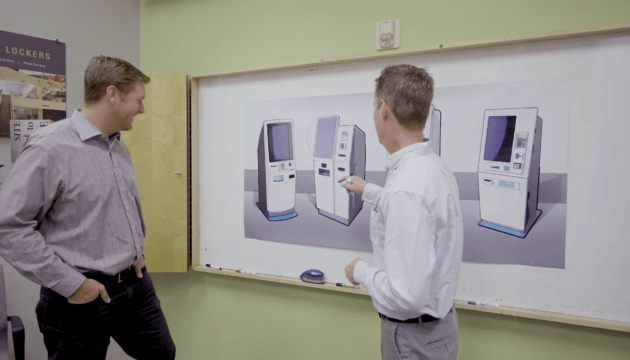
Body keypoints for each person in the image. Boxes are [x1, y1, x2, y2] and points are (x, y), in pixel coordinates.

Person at [0, 56, 176, 359]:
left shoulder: (118, 147)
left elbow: (115, 209)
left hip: (135, 285)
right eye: (138, 99)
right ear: (112, 94)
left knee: (162, 353)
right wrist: (73, 284)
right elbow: (10, 227)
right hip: (80, 297)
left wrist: (134, 251)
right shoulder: (50, 147)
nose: (142, 109)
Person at [340, 64, 464, 360]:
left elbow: (406, 295)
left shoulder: (406, 189)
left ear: (383, 109)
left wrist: (359, 272)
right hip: (438, 332)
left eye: (374, 109)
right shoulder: (433, 168)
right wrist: (370, 191)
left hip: (411, 339)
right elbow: (420, 216)